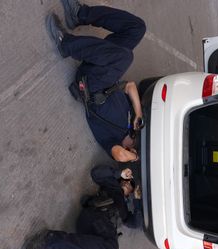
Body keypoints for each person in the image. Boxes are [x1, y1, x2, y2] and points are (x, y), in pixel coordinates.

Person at [21, 165, 143, 249]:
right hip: (92, 220)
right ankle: (47, 239)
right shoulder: (112, 186)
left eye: (131, 185)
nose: (128, 183)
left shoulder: (125, 211)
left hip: (101, 244)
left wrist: (138, 201)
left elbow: (136, 223)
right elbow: (96, 173)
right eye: (127, 180)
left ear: (130, 193)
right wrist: (119, 172)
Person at [47, 0, 146, 162]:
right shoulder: (130, 122)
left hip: (90, 87)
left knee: (124, 57)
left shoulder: (113, 143)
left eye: (134, 146)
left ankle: (65, 44)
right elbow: (130, 86)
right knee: (137, 28)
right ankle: (79, 15)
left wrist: (134, 157)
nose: (134, 141)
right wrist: (138, 113)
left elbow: (119, 155)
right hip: (104, 74)